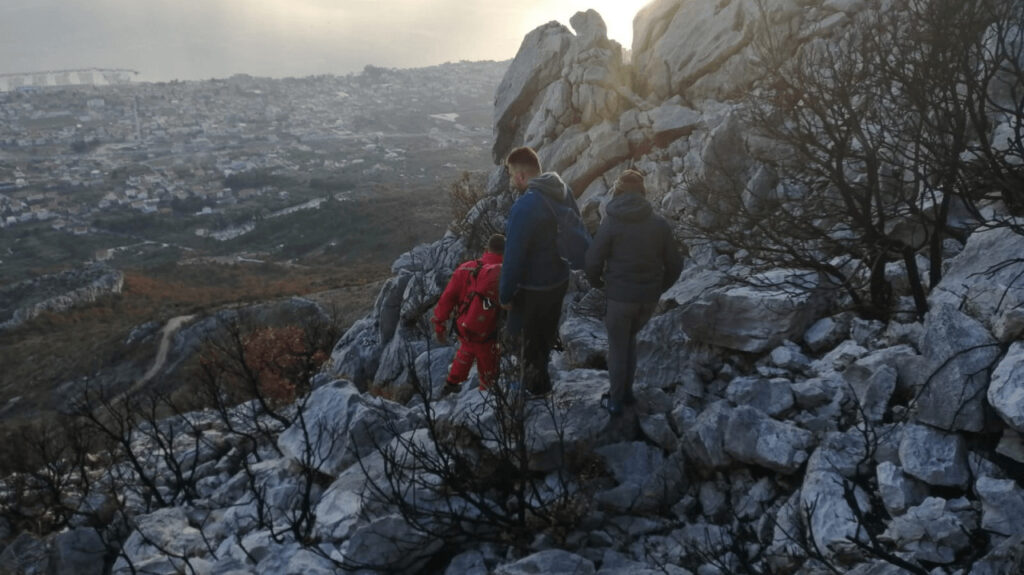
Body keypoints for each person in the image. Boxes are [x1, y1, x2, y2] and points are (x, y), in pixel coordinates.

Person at [585, 169, 683, 415]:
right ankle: (627, 394)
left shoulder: (611, 223)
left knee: (618, 347)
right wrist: (659, 288)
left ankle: (616, 401)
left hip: (619, 298)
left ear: (617, 192)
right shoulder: (659, 224)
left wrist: (598, 283)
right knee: (629, 342)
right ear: (643, 192)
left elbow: (593, 261)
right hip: (647, 300)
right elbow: (675, 264)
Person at [499, 146, 579, 397]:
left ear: (521, 175)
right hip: (559, 280)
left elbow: (513, 257)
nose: (511, 180)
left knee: (526, 343)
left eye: (511, 174)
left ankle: (533, 393)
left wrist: (504, 294)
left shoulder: (525, 206)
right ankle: (541, 383)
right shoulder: (563, 191)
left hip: (533, 288)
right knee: (545, 338)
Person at [432, 234, 505, 395]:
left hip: (465, 325)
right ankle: (486, 393)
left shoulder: (466, 268)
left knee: (465, 349)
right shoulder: (504, 273)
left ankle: (452, 383)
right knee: (487, 364)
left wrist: (439, 325)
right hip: (488, 330)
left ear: (486, 249)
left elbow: (447, 298)